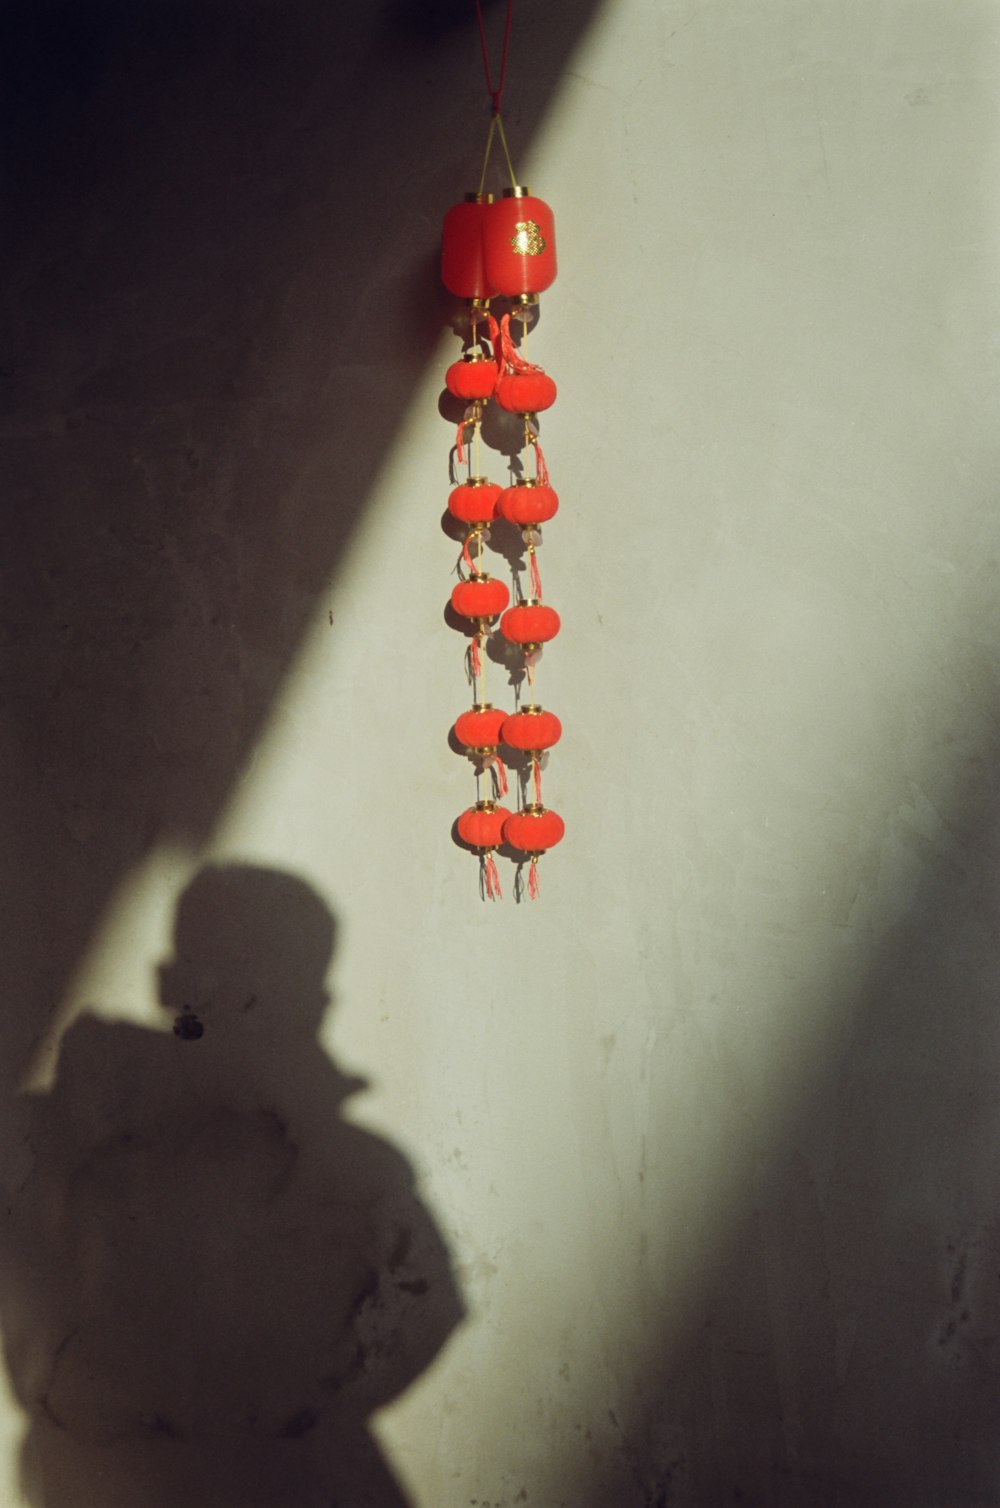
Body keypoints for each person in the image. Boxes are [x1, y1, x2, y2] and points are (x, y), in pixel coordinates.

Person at [2, 865, 463, 1508]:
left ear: (315, 1007)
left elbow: (429, 1306)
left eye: (272, 991)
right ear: (171, 985)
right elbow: (32, 1304)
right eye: (227, 985)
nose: (247, 1013)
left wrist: (301, 1401)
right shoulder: (56, 1143)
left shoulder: (358, 1171)